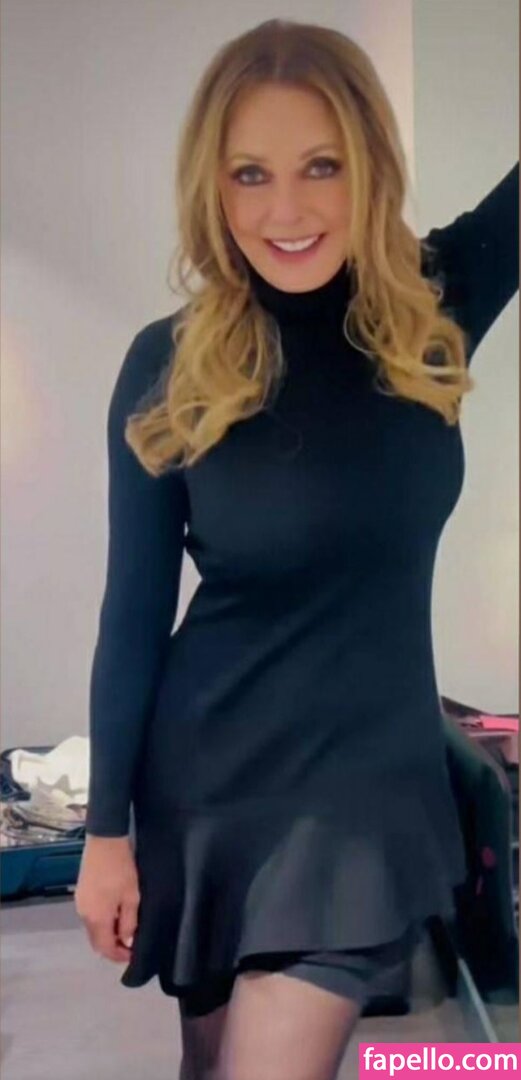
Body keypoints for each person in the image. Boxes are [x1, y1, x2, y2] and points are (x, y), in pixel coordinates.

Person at [74, 18, 519, 1080]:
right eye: (250, 173)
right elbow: (132, 614)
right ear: (213, 187)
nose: (286, 209)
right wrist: (104, 834)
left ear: (369, 166)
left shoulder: (431, 306)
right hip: (208, 789)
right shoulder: (169, 362)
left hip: (363, 798)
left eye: (321, 165)